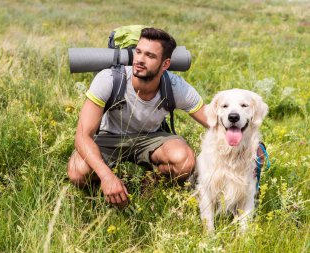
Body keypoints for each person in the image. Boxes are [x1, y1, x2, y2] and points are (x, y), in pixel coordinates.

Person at [67, 27, 208, 207]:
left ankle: (147, 186)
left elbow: (213, 121)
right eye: (138, 52)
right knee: (77, 172)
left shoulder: (175, 86)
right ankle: (105, 192)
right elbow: (82, 136)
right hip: (109, 137)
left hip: (150, 138)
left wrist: (252, 143)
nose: (140, 60)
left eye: (150, 56)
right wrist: (106, 176)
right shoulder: (109, 79)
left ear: (165, 64)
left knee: (185, 160)